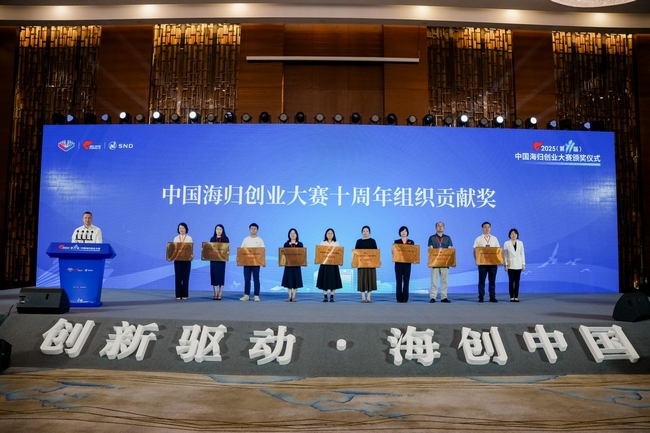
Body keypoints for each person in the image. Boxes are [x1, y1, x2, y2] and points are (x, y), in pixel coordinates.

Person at [473, 221, 500, 303]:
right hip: (482, 263)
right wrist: (476, 260)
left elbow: (498, 251)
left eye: (488, 227)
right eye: (485, 227)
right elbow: (475, 251)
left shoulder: (494, 238)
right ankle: (481, 297)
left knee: (492, 281)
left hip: (493, 263)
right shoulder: (478, 239)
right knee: (482, 281)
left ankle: (492, 297)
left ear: (490, 228)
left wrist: (498, 260)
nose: (487, 229)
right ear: (482, 228)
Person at [428, 221, 453, 303]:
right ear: (436, 228)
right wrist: (430, 262)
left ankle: (444, 297)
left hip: (445, 263)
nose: (440, 227)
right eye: (438, 225)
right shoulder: (432, 238)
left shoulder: (448, 238)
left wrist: (451, 262)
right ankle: (433, 297)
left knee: (444, 281)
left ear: (444, 228)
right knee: (434, 281)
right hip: (435, 263)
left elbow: (449, 250)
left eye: (442, 225)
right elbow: (431, 250)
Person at [316, 228, 342, 302]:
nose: (330, 235)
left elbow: (339, 254)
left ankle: (332, 296)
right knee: (324, 281)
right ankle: (325, 296)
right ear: (326, 234)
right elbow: (319, 254)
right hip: (324, 265)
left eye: (331, 233)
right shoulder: (322, 243)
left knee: (333, 281)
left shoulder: (336, 243)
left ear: (333, 235)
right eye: (328, 233)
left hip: (333, 265)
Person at [240, 223, 265, 302]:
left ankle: (256, 295)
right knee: (247, 279)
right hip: (247, 262)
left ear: (257, 230)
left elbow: (262, 252)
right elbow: (241, 250)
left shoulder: (260, 240)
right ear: (249, 229)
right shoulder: (246, 239)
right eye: (252, 228)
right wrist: (238, 258)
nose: (253, 230)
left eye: (255, 229)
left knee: (256, 279)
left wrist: (263, 262)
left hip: (256, 263)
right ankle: (246, 295)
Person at [355, 225, 378, 303]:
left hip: (371, 263)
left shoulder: (373, 241)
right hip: (361, 264)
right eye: (364, 231)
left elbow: (376, 253)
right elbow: (356, 253)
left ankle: (368, 296)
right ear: (362, 232)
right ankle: (363, 297)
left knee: (370, 279)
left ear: (369, 232)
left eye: (367, 231)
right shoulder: (358, 241)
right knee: (361, 279)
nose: (365, 232)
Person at [503, 228, 526, 302]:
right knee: (511, 281)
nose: (513, 235)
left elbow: (522, 253)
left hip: (518, 264)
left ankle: (516, 296)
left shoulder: (520, 243)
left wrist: (523, 264)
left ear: (517, 235)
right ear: (509, 235)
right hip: (510, 265)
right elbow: (505, 255)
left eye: (515, 234)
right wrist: (506, 264)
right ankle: (511, 296)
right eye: (512, 234)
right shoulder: (506, 243)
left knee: (517, 281)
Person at [281, 228, 304, 302]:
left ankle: (294, 296)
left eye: (294, 233)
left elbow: (302, 254)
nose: (293, 235)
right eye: (291, 233)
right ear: (289, 235)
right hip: (288, 265)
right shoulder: (286, 244)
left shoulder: (300, 244)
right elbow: (283, 254)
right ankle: (289, 296)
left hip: (297, 265)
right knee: (289, 280)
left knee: (296, 280)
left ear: (296, 235)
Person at [173, 222, 193, 300]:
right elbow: (173, 250)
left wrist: (191, 255)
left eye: (183, 228)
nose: (181, 229)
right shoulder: (175, 238)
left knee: (185, 277)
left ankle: (184, 294)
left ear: (186, 229)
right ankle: (178, 294)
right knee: (178, 277)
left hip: (186, 260)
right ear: (178, 229)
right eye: (180, 228)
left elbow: (190, 249)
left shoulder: (189, 238)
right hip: (177, 260)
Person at [394, 226, 414, 303]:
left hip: (407, 264)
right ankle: (399, 298)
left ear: (407, 232)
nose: (403, 232)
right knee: (398, 281)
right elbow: (394, 252)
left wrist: (414, 259)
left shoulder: (411, 242)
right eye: (402, 231)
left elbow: (413, 253)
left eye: (405, 231)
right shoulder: (396, 241)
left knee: (406, 281)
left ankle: (405, 298)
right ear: (400, 233)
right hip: (398, 264)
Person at [209, 224, 229, 300]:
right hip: (213, 261)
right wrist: (204, 250)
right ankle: (215, 293)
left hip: (221, 260)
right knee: (214, 276)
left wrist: (228, 252)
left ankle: (220, 293)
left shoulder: (225, 239)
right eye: (217, 229)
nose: (219, 231)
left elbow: (227, 249)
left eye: (220, 229)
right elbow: (210, 249)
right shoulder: (212, 239)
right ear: (215, 230)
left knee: (221, 276)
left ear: (222, 230)